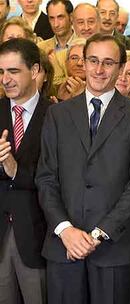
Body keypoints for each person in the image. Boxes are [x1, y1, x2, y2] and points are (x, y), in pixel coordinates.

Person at [35, 33, 130, 304]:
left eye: (108, 62)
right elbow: (45, 178)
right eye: (93, 60)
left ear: (121, 67)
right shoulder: (57, 114)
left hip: (114, 247)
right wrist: (65, 229)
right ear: (83, 63)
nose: (99, 70)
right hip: (63, 246)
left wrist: (99, 233)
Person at [0, 38, 51, 304]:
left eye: (13, 71)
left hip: (37, 236)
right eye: (1, 72)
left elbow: (56, 178)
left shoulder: (57, 116)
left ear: (34, 71)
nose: (5, 79)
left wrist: (14, 169)